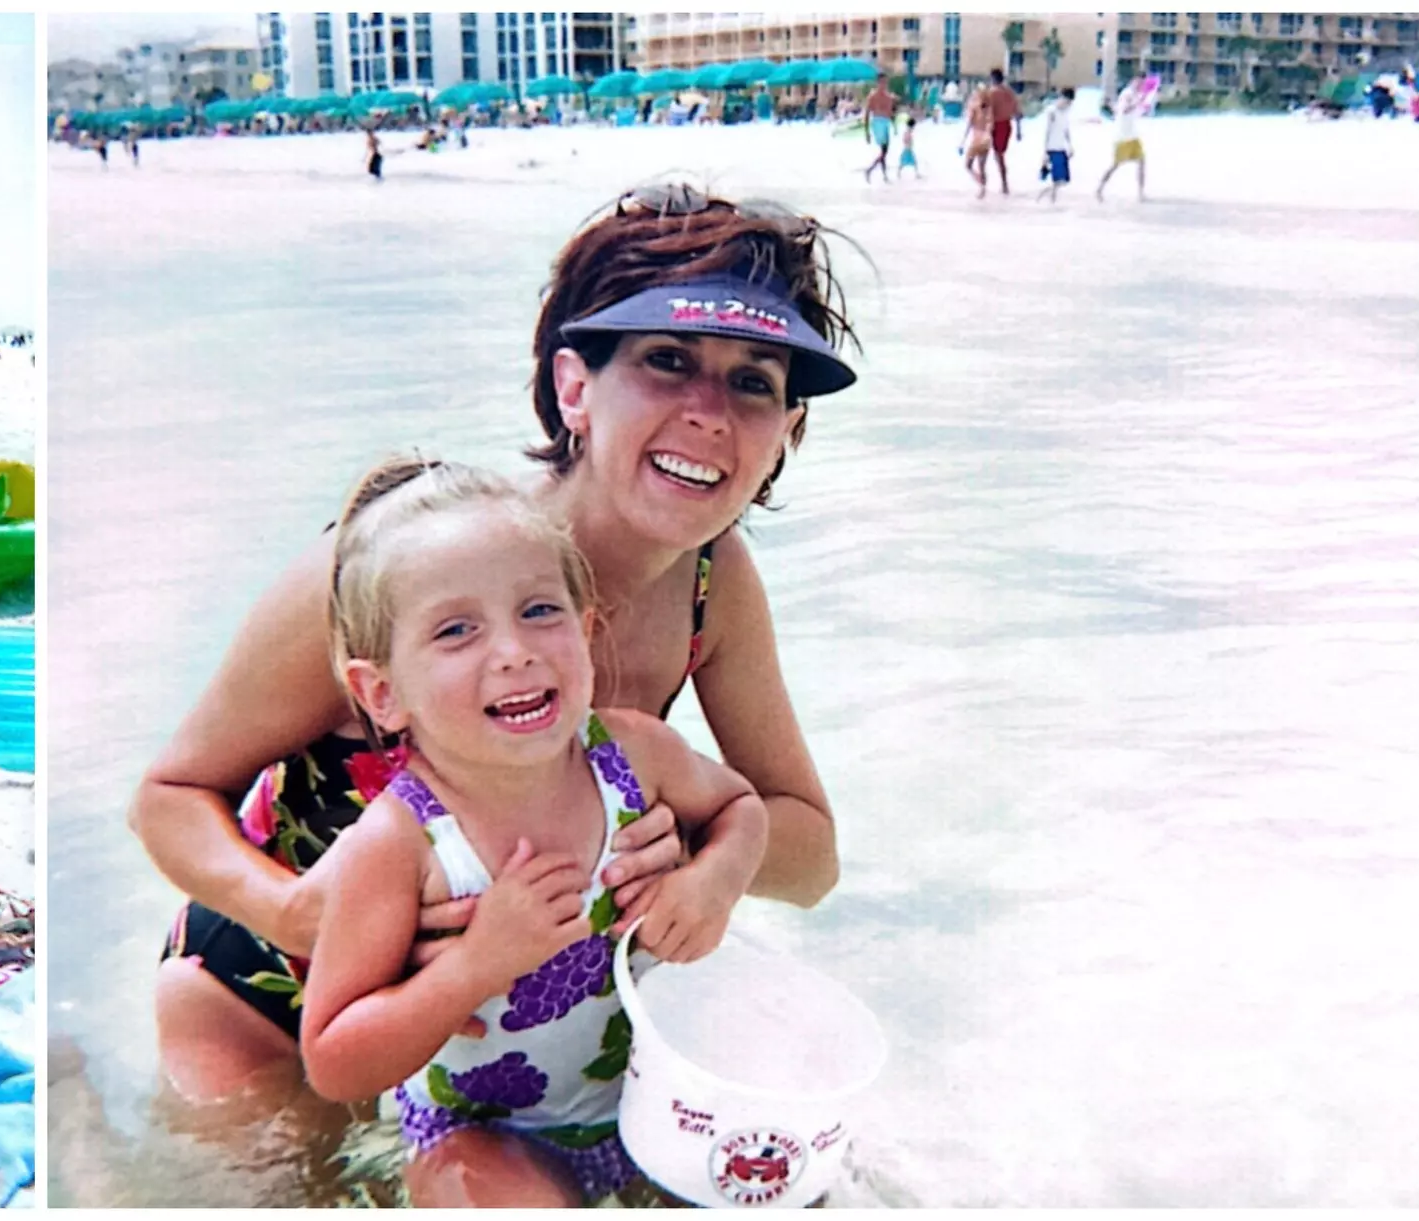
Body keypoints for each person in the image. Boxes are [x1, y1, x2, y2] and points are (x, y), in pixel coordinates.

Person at [132, 183, 860, 1102]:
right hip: (272, 1004)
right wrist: (300, 911)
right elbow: (167, 796)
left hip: (501, 1055)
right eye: (668, 360)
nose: (711, 413)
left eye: (754, 381)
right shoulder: (406, 564)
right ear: (573, 387)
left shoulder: (712, 583)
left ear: (787, 428)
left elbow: (813, 855)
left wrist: (702, 857)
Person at [298, 459, 772, 1206]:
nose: (514, 650)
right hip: (483, 1133)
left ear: (586, 632)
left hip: (649, 1102)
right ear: (382, 692)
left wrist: (712, 879)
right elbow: (333, 1059)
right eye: (457, 630)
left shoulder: (630, 755)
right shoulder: (401, 842)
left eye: (541, 611)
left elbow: (742, 808)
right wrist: (472, 967)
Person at [1096, 78, 1151, 203]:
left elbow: (1129, 112)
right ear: (1135, 81)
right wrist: (1138, 103)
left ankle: (1141, 194)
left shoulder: (1136, 95)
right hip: (1122, 137)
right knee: (1115, 165)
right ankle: (1099, 189)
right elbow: (1124, 110)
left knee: (1142, 162)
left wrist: (1142, 107)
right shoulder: (1127, 94)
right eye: (1140, 83)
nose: (1141, 86)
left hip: (1133, 135)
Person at [1037, 87, 1076, 204]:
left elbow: (1066, 129)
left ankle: (1047, 197)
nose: (1068, 104)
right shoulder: (1052, 111)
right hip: (1052, 149)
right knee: (1058, 179)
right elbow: (1047, 131)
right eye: (1067, 101)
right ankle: (1047, 198)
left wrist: (1070, 145)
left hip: (1061, 147)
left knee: (1064, 180)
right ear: (1062, 98)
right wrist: (1044, 152)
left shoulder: (1065, 112)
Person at [986, 67, 1022, 195]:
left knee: (997, 156)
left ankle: (1003, 184)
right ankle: (1003, 184)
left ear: (993, 79)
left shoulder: (992, 92)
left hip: (996, 125)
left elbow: (988, 112)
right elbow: (1018, 112)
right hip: (1007, 125)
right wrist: (1019, 130)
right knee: (999, 155)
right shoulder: (1010, 92)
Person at [862, 73, 897, 183]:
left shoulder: (889, 97)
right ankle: (870, 170)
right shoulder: (873, 96)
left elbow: (890, 113)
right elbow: (867, 114)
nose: (884, 85)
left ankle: (884, 175)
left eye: (885, 82)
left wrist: (894, 126)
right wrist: (867, 132)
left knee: (884, 150)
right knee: (884, 151)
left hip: (885, 123)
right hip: (877, 123)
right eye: (882, 82)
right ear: (878, 83)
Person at [964, 89, 996, 196]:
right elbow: (990, 125)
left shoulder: (974, 107)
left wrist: (962, 140)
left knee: (968, 165)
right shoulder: (989, 108)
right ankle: (983, 188)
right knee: (982, 166)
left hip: (976, 140)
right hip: (986, 140)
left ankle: (980, 184)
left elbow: (969, 124)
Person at [897, 112, 922, 179]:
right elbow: (906, 140)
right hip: (908, 149)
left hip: (908, 149)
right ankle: (916, 174)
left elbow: (905, 139)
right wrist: (908, 145)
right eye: (914, 126)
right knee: (909, 162)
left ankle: (899, 173)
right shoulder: (908, 132)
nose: (914, 128)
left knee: (906, 162)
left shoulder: (908, 131)